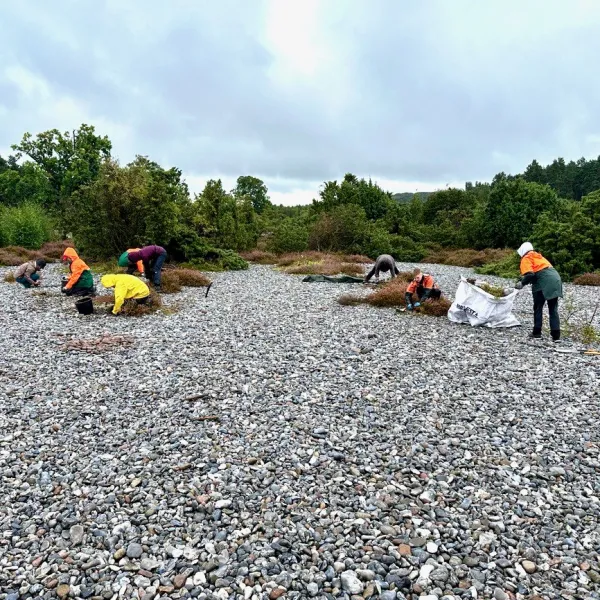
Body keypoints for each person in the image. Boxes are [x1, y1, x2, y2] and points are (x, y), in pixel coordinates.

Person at [515, 242, 562, 342]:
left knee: (538, 307)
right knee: (553, 308)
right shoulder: (539, 257)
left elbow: (530, 275)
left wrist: (521, 284)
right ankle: (556, 336)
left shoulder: (526, 258)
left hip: (542, 281)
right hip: (556, 279)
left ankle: (537, 332)